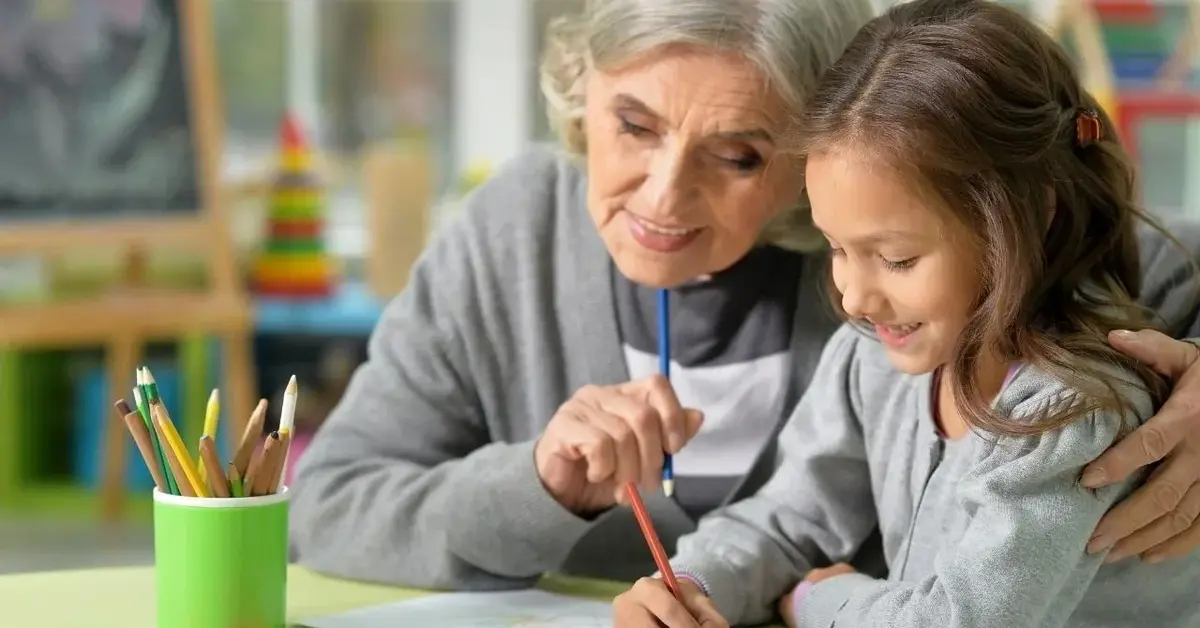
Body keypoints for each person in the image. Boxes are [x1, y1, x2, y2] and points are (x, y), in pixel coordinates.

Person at [289, 0, 1200, 590]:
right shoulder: (514, 231)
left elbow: (1129, 237)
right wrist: (538, 487)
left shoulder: (913, 239)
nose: (663, 198)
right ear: (580, 92)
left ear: (823, 151)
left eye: (738, 156)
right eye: (633, 125)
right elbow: (329, 504)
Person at [611, 1, 1200, 627]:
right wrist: (691, 584)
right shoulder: (870, 356)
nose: (855, 299)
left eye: (896, 259)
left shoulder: (1070, 410)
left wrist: (818, 601)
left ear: (1033, 217)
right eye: (837, 248)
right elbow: (789, 518)